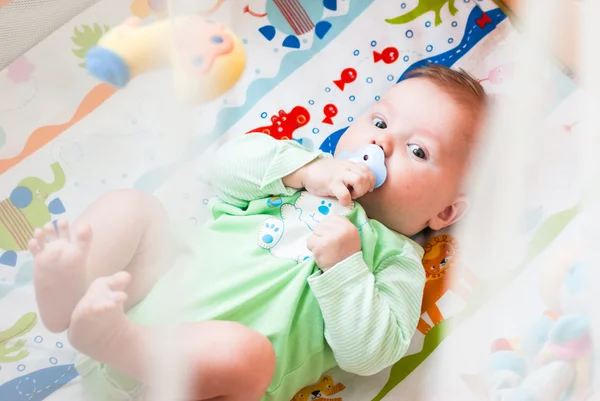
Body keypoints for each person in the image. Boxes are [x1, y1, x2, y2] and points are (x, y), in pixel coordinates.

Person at [28, 64, 486, 401]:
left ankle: (120, 341)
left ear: (444, 212)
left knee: (250, 355)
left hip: (202, 387)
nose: (381, 144)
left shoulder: (395, 260)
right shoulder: (296, 171)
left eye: (418, 151)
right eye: (381, 123)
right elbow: (222, 169)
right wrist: (306, 171)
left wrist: (346, 267)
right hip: (127, 302)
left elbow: (370, 355)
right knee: (134, 209)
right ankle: (68, 294)